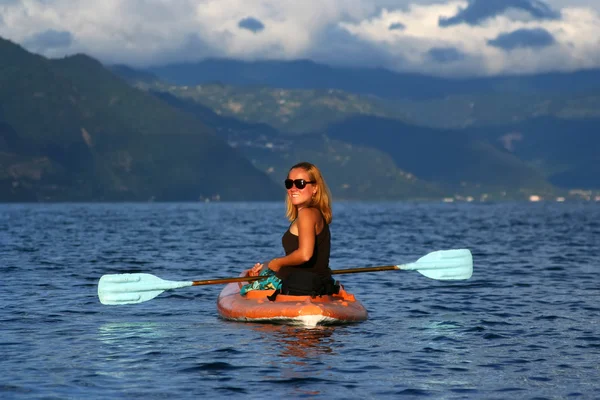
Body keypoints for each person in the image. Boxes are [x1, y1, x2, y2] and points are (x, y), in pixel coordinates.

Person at [240, 161, 338, 298]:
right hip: (318, 283)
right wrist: (266, 266)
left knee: (244, 290)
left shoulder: (306, 214)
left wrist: (277, 262)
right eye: (289, 183)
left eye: (300, 184)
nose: (293, 188)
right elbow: (294, 259)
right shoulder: (316, 214)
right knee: (259, 274)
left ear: (315, 187)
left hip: (301, 285)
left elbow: (305, 255)